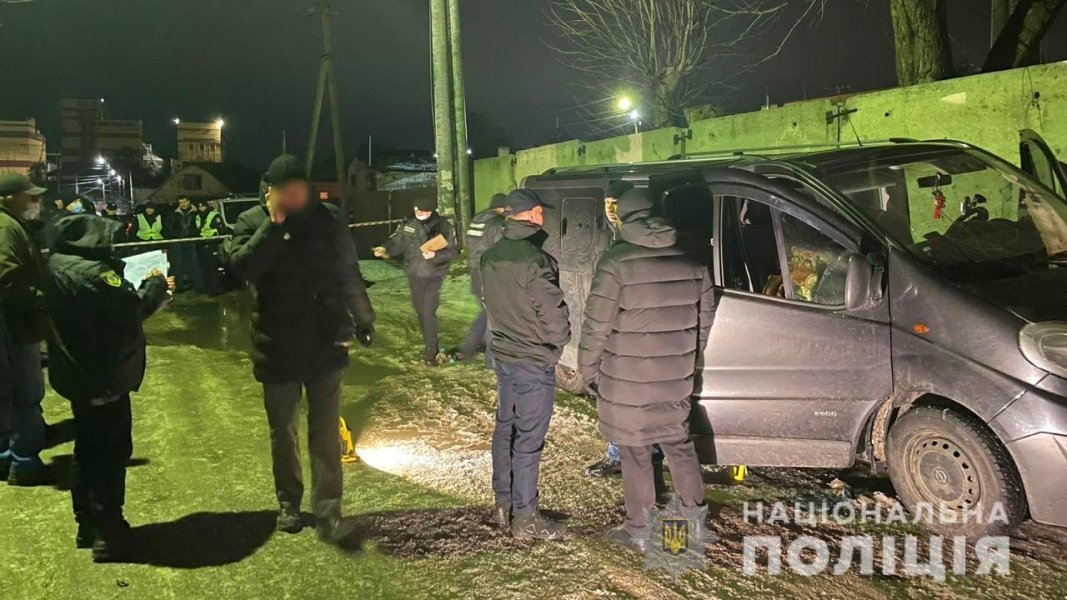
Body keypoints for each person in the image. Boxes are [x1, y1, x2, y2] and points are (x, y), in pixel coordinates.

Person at [224, 155, 376, 542]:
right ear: (269, 191)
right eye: (286, 191)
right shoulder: (250, 222)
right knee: (284, 432)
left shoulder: (327, 218)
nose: (295, 197)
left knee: (325, 432)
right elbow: (241, 269)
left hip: (325, 341)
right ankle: (289, 503)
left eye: (300, 190)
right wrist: (272, 227)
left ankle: (329, 512)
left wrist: (363, 317)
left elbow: (347, 270)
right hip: (277, 345)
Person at [578, 188, 716, 552]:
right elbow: (705, 322)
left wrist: (588, 369)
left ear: (622, 218)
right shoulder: (693, 260)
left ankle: (639, 529)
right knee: (680, 446)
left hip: (628, 382)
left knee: (635, 453)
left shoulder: (616, 262)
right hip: (675, 377)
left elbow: (596, 325)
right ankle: (695, 523)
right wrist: (687, 359)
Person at [42, 214, 174, 562]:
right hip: (103, 374)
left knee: (86, 448)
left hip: (75, 372)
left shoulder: (56, 262)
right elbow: (133, 310)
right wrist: (157, 285)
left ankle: (86, 523)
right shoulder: (96, 277)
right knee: (110, 453)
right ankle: (108, 531)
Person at [481, 189, 570, 540]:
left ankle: (503, 505)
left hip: (504, 356)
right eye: (541, 213)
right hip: (533, 360)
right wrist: (556, 344)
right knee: (529, 439)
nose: (543, 218)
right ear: (532, 214)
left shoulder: (491, 256)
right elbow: (555, 319)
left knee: (506, 429)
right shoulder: (536, 261)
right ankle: (526, 517)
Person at [0, 173, 49, 486]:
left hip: (9, 322)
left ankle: (6, 457)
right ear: (8, 198)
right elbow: (5, 278)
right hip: (14, 323)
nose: (36, 201)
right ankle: (24, 462)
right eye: (29, 196)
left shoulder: (10, 224)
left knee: (7, 390)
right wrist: (44, 297)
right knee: (27, 391)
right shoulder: (5, 227)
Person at [585, 179, 635, 479]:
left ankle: (638, 458)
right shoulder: (609, 235)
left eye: (616, 204)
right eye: (607, 204)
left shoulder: (633, 238)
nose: (611, 210)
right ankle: (617, 454)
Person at [372, 196, 456, 366]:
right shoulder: (408, 225)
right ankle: (430, 344)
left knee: (427, 312)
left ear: (431, 211)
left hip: (434, 274)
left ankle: (431, 353)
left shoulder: (443, 226)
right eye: (417, 210)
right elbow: (396, 241)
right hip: (414, 274)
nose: (420, 214)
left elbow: (452, 251)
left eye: (424, 211)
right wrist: (385, 248)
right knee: (421, 312)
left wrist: (436, 255)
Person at [455, 192, 508, 362]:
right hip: (489, 275)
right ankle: (492, 359)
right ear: (502, 208)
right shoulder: (497, 224)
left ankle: (468, 347)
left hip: (475, 273)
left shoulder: (477, 219)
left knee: (486, 313)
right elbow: (501, 252)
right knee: (495, 316)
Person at [195, 199, 227, 295]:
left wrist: (215, 241)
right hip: (201, 245)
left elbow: (222, 230)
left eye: (203, 206)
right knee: (204, 268)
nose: (201, 208)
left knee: (214, 267)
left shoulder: (214, 215)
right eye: (199, 207)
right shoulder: (197, 217)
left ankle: (216, 289)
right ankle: (207, 289)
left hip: (213, 245)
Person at [168, 197, 200, 292]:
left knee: (194, 264)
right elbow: (170, 227)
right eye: (180, 202)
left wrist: (195, 235)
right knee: (178, 265)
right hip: (179, 242)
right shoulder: (175, 214)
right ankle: (179, 287)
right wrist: (176, 236)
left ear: (189, 202)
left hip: (192, 242)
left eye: (184, 202)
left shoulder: (196, 213)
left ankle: (197, 286)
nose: (183, 204)